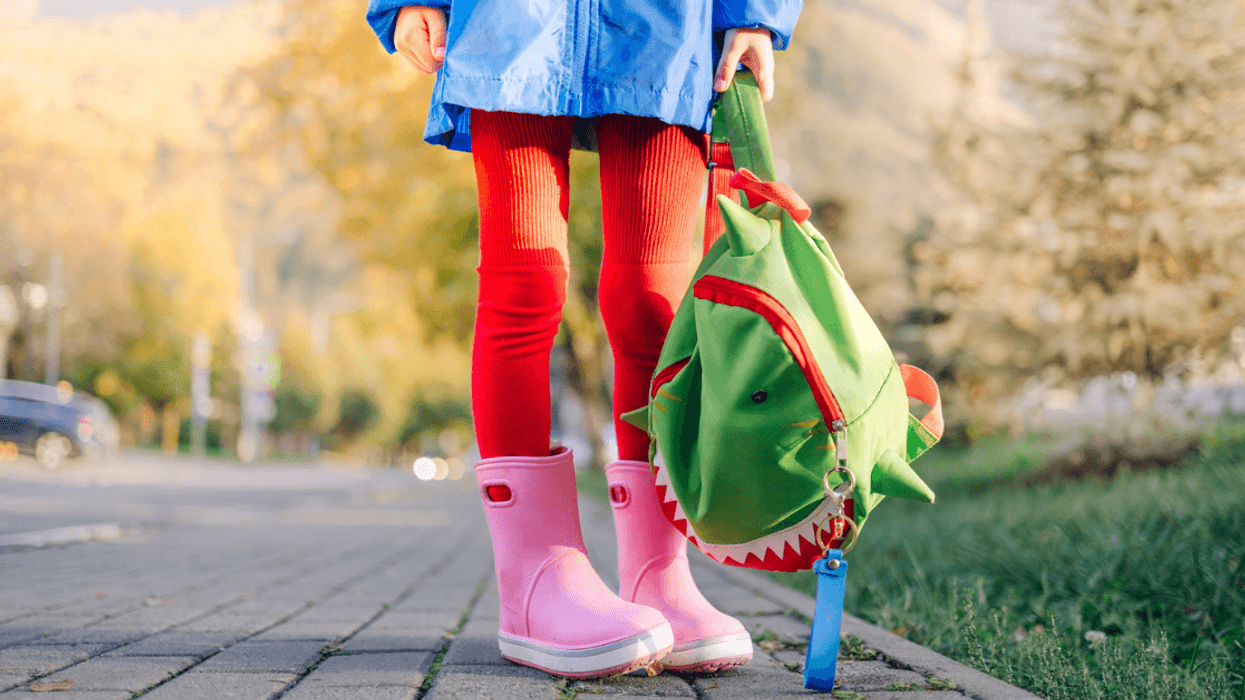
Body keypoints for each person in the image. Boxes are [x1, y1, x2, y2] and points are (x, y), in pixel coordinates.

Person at [366, 0, 802, 679]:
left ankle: (658, 575)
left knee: (654, 305)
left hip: (667, 25)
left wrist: (755, 12)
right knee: (524, 284)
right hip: (510, 25)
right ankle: (536, 582)